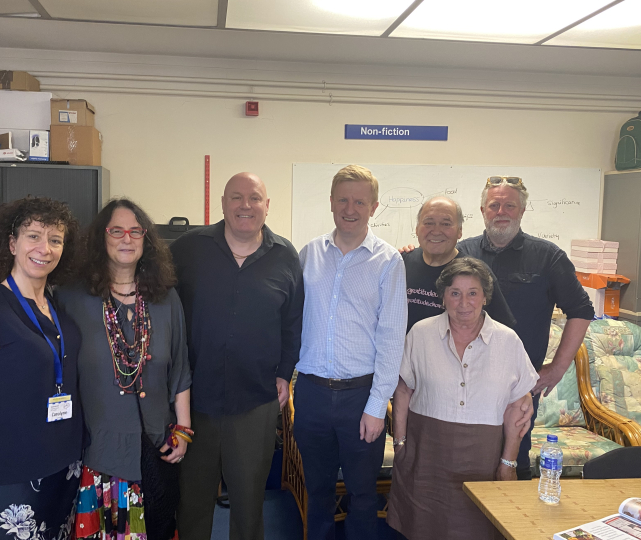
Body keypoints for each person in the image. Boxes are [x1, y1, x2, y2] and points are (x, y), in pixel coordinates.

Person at [170, 172, 304, 540]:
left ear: (267, 205)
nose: (246, 205)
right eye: (237, 197)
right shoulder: (188, 249)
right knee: (192, 502)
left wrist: (284, 373)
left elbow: (293, 322)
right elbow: (163, 309)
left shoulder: (285, 255)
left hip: (255, 400)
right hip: (193, 399)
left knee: (248, 504)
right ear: (223, 203)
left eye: (255, 198)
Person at [0, 197, 83, 539]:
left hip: (63, 464)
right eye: (34, 236)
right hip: (12, 470)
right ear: (12, 243)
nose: (45, 248)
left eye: (55, 240)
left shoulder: (54, 305)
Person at [58, 199, 192, 540]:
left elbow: (179, 367)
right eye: (116, 230)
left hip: (155, 448)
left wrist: (184, 429)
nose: (126, 238)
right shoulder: (72, 299)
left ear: (146, 240)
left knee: (159, 528)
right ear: (101, 238)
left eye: (135, 231)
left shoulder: (165, 299)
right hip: (97, 453)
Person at [387, 257, 538, 540]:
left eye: (472, 293)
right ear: (443, 296)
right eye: (455, 293)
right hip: (425, 455)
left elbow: (518, 407)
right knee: (422, 526)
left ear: (485, 298)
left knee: (477, 528)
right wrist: (400, 443)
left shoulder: (508, 341)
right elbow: (404, 390)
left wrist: (508, 463)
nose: (463, 302)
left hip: (483, 458)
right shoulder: (420, 334)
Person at [295, 165, 407, 540]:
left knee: (361, 495)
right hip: (310, 393)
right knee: (318, 491)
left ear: (374, 207)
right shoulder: (308, 254)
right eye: (343, 199)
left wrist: (378, 407)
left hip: (361, 397)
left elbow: (392, 338)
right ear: (330, 202)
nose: (350, 208)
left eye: (360, 201)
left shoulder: (389, 261)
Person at [458, 176, 595, 480]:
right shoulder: (460, 253)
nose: (501, 211)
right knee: (466, 464)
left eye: (510, 205)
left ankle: (510, 525)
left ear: (522, 211)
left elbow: (582, 310)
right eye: (494, 205)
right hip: (465, 381)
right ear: (482, 210)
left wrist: (557, 369)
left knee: (511, 463)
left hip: (518, 385)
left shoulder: (548, 257)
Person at [404, 195, 515, 331]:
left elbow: (502, 329)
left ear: (460, 231)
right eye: (428, 223)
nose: (436, 231)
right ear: (416, 228)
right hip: (403, 351)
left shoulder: (476, 273)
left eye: (446, 224)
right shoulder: (401, 263)